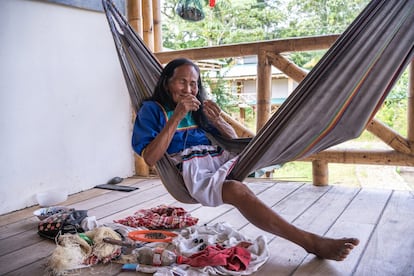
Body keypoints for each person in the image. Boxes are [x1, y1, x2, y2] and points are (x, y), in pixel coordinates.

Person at [132, 58, 359, 261]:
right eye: (182, 82)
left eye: (194, 84)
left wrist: (218, 120)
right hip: (194, 173)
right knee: (238, 192)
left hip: (219, 159)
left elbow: (231, 139)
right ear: (166, 83)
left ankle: (311, 241)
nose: (189, 89)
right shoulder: (152, 109)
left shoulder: (197, 108)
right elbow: (151, 157)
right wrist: (177, 116)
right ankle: (311, 242)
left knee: (263, 151)